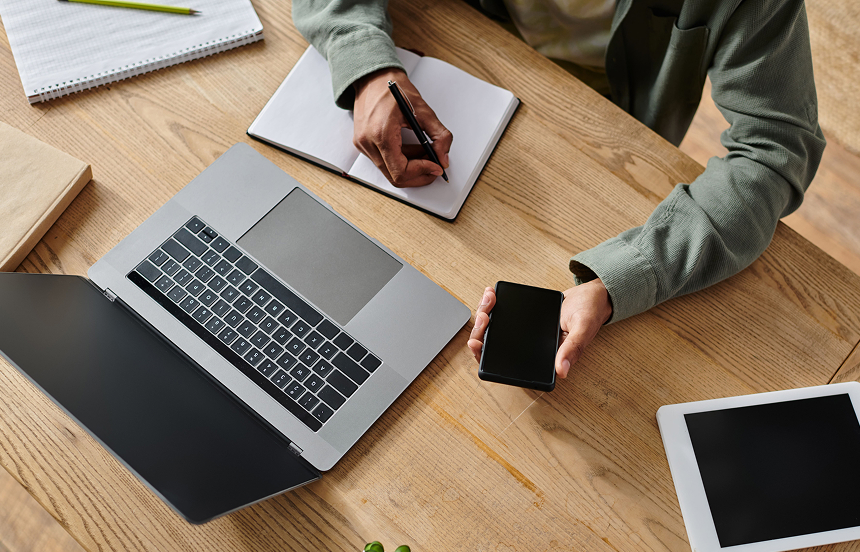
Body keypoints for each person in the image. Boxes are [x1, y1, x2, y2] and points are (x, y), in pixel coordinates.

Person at [292, 0, 825, 379]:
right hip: (457, 51)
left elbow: (775, 148)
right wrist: (366, 65)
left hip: (608, 141)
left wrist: (623, 278)